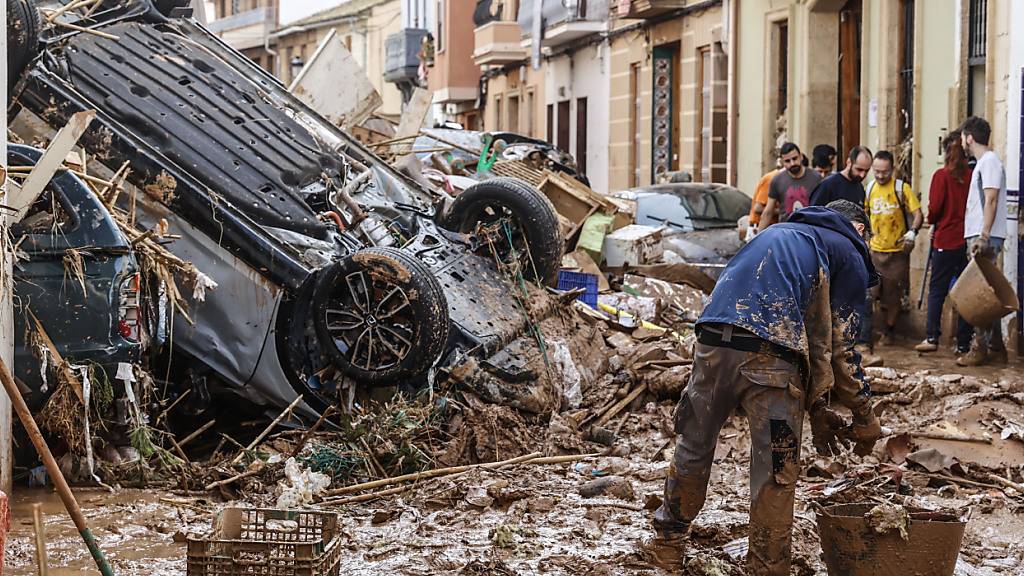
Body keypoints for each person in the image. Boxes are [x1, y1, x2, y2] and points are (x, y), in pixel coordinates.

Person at [644, 200, 882, 575]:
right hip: (771, 359)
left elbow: (813, 335)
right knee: (776, 470)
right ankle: (767, 568)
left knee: (693, 445)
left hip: (711, 342)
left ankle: (667, 546)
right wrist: (865, 416)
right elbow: (841, 347)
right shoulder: (849, 249)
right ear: (860, 230)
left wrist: (818, 408)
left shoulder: (778, 233)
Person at [957, 117, 1009, 366]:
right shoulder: (985, 163)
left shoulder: (989, 162)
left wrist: (983, 236)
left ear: (969, 138)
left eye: (962, 138)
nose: (961, 142)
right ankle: (996, 347)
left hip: (983, 237)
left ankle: (979, 348)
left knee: (979, 294)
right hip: (981, 235)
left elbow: (991, 199)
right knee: (988, 293)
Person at [916, 132, 973, 354]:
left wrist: (932, 220)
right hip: (966, 241)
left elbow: (935, 208)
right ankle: (963, 342)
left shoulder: (941, 176)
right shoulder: (971, 176)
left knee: (937, 290)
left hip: (945, 240)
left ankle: (932, 337)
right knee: (966, 291)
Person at [864, 150, 922, 345]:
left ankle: (889, 331)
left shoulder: (901, 188)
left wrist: (913, 231)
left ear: (892, 169)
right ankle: (871, 331)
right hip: (874, 251)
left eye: (885, 172)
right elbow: (864, 214)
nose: (880, 176)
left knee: (892, 294)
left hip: (897, 252)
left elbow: (918, 214)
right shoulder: (870, 188)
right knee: (871, 293)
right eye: (877, 171)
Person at [757, 143, 822, 233]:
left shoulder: (816, 178)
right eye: (787, 161)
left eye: (795, 159)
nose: (792, 163)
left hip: (811, 230)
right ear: (782, 162)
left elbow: (823, 208)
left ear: (801, 157)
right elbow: (768, 212)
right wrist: (759, 236)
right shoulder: (777, 180)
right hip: (786, 232)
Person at [746, 164, 781, 241]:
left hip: (770, 228)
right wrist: (781, 211)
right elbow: (758, 208)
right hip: (759, 227)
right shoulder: (772, 179)